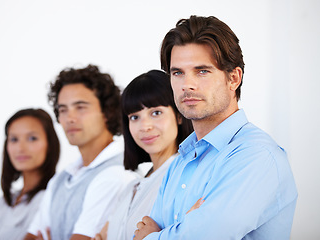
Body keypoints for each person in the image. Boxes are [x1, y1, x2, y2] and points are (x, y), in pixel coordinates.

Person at [134, 15, 298, 240]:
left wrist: (153, 237)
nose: (187, 85)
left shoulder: (257, 156)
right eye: (177, 73)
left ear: (234, 78)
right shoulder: (181, 160)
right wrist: (181, 230)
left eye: (202, 71)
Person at [25, 64, 137, 240]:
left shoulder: (117, 173)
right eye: (63, 110)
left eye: (80, 107)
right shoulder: (60, 179)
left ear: (107, 111)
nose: (70, 118)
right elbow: (30, 236)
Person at [92, 70, 193, 240]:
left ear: (179, 115)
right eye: (134, 117)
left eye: (156, 113)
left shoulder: (186, 177)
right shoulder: (131, 187)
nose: (144, 126)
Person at [0, 108, 60, 240]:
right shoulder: (1, 203)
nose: (20, 148)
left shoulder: (53, 200)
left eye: (32, 138)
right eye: (14, 139)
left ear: (50, 144)